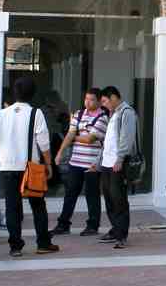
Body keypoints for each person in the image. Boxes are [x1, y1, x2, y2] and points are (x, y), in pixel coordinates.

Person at [0, 75, 60, 259]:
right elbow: (44, 143)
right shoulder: (35, 113)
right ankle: (43, 243)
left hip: (8, 167)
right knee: (38, 205)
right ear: (33, 93)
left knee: (12, 207)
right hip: (30, 166)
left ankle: (15, 246)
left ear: (15, 93)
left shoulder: (3, 113)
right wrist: (48, 163)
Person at [52, 89, 107, 236]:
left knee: (92, 195)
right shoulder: (78, 114)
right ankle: (63, 225)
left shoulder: (102, 118)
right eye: (86, 99)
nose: (87, 102)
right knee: (70, 193)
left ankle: (93, 226)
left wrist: (73, 136)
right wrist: (59, 153)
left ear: (99, 101)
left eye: (91, 100)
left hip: (92, 164)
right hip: (75, 161)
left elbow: (90, 139)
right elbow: (70, 134)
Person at [98, 85, 138, 249]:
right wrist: (99, 161)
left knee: (119, 200)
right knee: (108, 198)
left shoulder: (126, 112)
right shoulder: (113, 114)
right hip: (107, 163)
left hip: (117, 163)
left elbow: (126, 139)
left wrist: (120, 159)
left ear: (114, 97)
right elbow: (108, 140)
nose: (104, 105)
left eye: (105, 101)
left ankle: (121, 235)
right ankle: (115, 229)